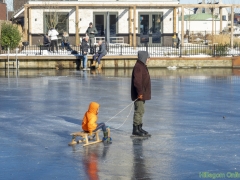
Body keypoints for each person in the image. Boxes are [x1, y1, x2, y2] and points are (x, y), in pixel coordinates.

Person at [131, 51, 151, 137]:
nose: (149, 59)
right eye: (148, 57)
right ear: (144, 58)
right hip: (139, 94)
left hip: (142, 93)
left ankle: (139, 127)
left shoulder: (142, 66)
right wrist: (140, 92)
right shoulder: (138, 67)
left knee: (141, 110)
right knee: (138, 111)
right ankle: (135, 129)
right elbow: (137, 81)